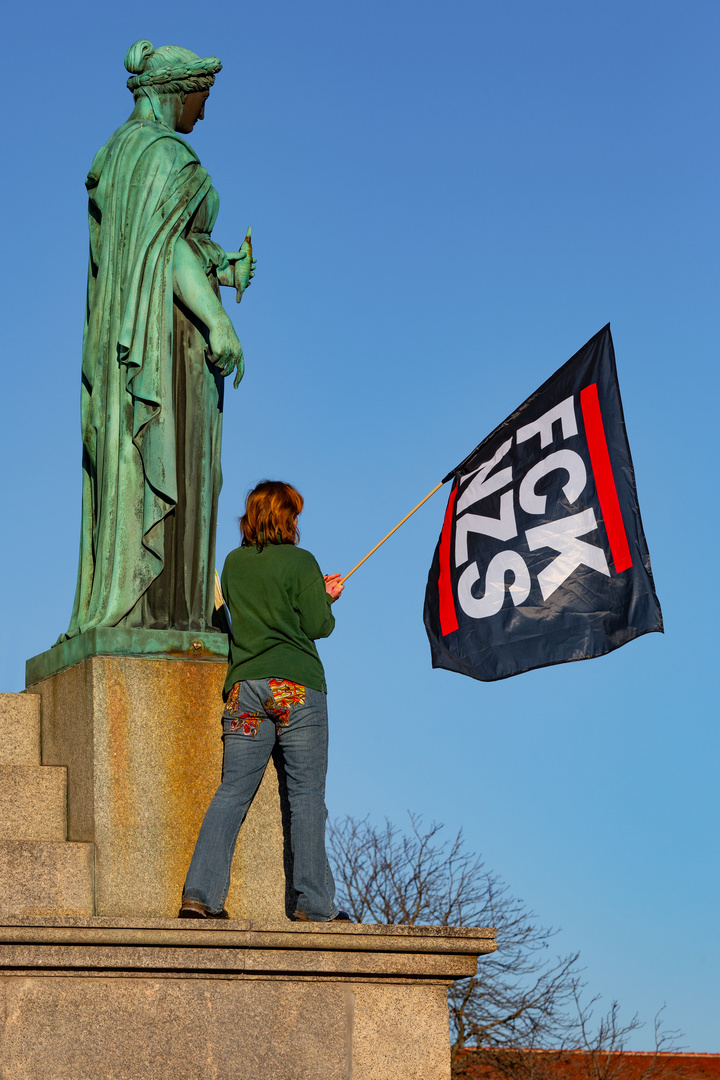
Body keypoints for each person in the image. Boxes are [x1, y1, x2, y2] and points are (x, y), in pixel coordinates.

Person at [61, 40, 253, 640]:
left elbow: (144, 253)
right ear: (179, 91)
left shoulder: (118, 154)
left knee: (147, 469)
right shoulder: (168, 157)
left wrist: (221, 268)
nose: (204, 114)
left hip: (130, 342)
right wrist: (219, 322)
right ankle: (168, 616)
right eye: (202, 98)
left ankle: (152, 611)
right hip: (167, 350)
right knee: (181, 474)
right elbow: (167, 252)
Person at [179, 480, 350, 922]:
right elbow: (317, 625)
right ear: (286, 518)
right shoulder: (301, 561)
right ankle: (313, 905)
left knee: (232, 792)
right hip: (296, 684)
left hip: (245, 689)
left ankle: (200, 894)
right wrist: (326, 597)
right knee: (307, 797)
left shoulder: (233, 564)